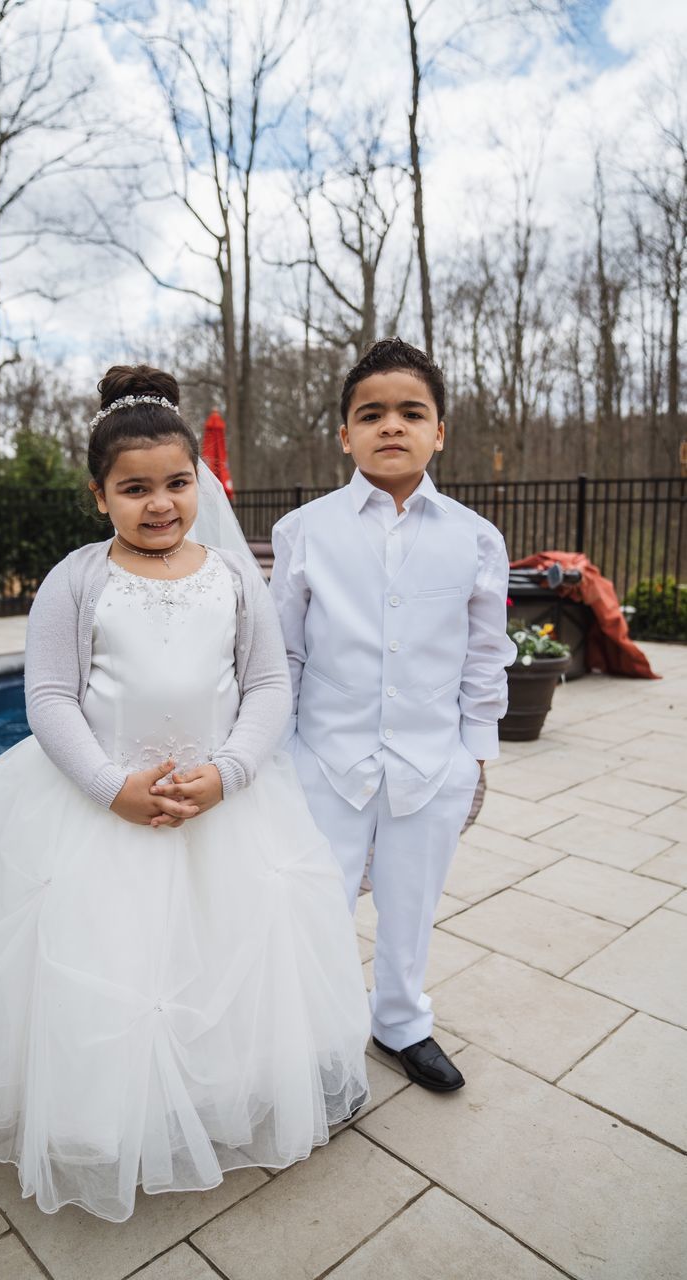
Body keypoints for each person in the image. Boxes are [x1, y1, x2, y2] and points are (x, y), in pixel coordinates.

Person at [0, 366, 369, 1223]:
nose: (159, 503)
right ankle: (107, 1114)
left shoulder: (235, 580)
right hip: (103, 808)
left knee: (225, 966)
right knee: (113, 973)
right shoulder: (76, 580)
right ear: (100, 497)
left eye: (176, 483)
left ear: (197, 482)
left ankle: (217, 1100)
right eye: (134, 489)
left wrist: (229, 771)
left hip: (223, 807)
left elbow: (270, 687)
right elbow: (50, 696)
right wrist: (109, 786)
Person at [271, 338, 515, 1093]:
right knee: (319, 906)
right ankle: (322, 1036)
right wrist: (282, 755)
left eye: (412, 412)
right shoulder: (305, 531)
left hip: (428, 760)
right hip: (325, 759)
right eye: (370, 414)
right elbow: (285, 654)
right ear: (344, 434)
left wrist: (474, 754)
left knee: (413, 903)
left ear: (439, 430)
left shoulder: (476, 537)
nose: (391, 427)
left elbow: (484, 653)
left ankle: (401, 1021)